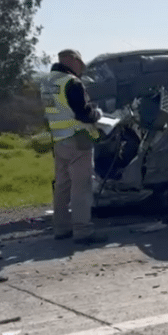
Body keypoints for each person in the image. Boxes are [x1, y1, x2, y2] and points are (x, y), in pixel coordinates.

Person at [41, 49, 107, 244]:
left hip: (59, 140)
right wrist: (99, 115)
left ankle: (61, 229)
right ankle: (82, 230)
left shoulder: (46, 82)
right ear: (72, 61)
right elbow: (84, 113)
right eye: (80, 63)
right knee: (81, 187)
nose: (81, 68)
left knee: (62, 186)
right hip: (78, 140)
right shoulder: (71, 82)